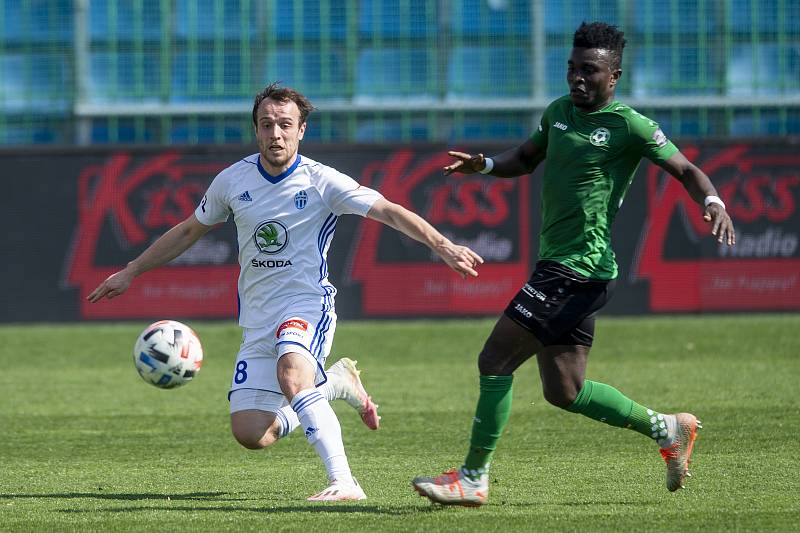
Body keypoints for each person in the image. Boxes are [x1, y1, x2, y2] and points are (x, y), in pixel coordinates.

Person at [88, 82, 484, 502]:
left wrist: (442, 245)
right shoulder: (232, 181)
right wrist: (132, 270)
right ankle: (334, 383)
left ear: (302, 130)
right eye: (266, 125)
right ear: (256, 130)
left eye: (284, 125)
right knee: (252, 433)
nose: (275, 134)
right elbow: (189, 230)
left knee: (292, 374)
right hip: (257, 317)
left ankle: (344, 482)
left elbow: (387, 210)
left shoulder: (320, 181)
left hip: (307, 303)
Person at [411, 21, 736, 506]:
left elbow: (686, 170)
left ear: (614, 76)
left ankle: (473, 476)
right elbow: (525, 157)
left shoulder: (630, 125)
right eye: (571, 68)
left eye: (590, 70)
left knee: (494, 359)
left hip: (577, 267)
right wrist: (484, 165)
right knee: (564, 390)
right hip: (566, 267)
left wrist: (714, 203)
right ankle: (668, 429)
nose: (577, 78)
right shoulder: (559, 112)